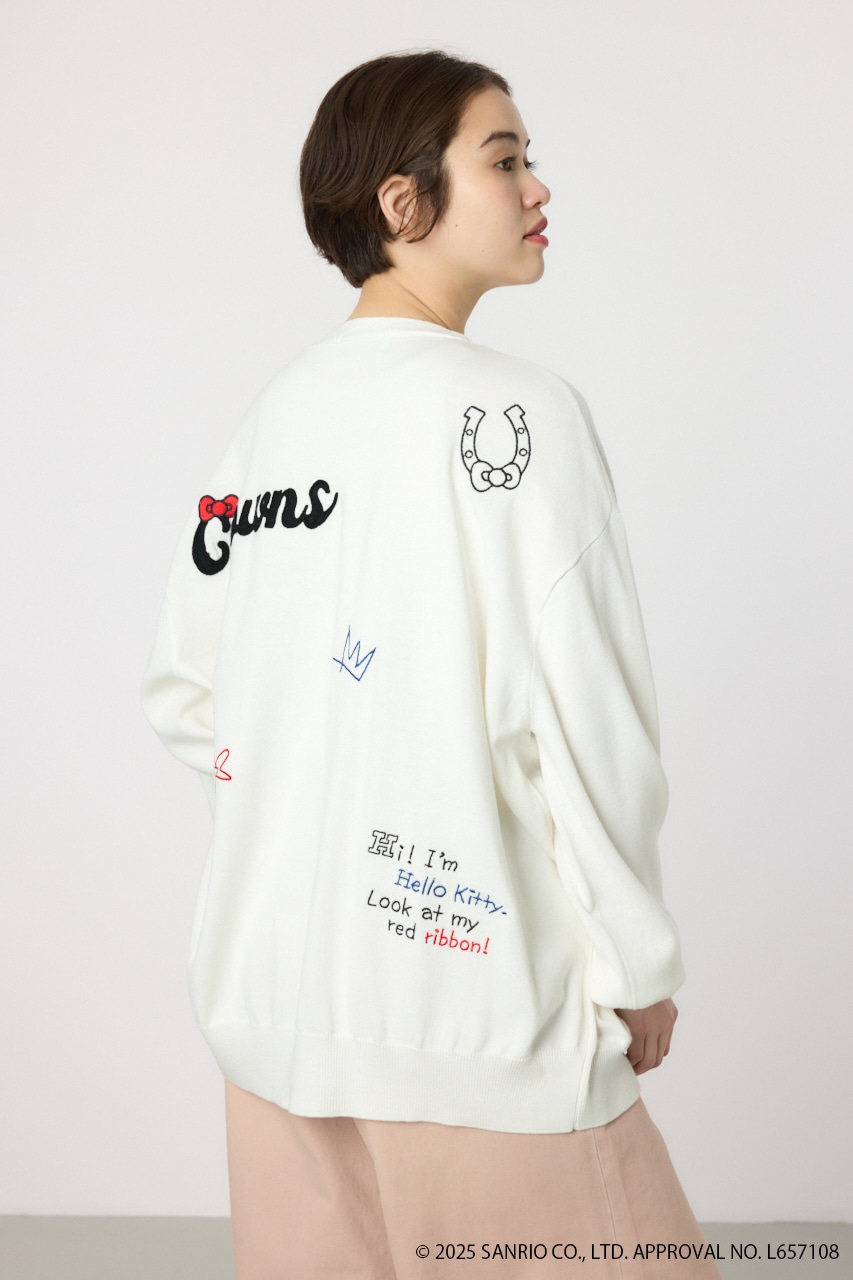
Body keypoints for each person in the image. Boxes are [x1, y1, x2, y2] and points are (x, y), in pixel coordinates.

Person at [142, 50, 721, 1279]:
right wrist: (634, 961)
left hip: (274, 1023)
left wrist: (306, 788)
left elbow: (188, 692)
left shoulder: (272, 421)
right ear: (402, 203)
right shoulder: (523, 417)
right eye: (503, 159)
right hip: (478, 1031)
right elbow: (587, 724)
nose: (537, 187)